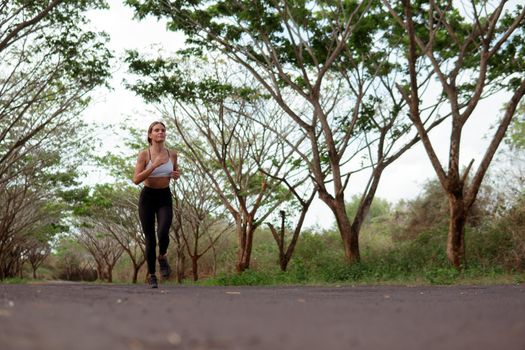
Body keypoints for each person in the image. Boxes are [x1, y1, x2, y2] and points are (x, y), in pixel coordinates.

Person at [133, 121, 180, 288]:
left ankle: (162, 256)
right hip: (148, 197)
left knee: (163, 231)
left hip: (164, 196)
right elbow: (136, 179)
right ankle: (152, 275)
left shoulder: (172, 154)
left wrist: (175, 174)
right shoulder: (144, 154)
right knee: (150, 239)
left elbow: (175, 172)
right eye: (156, 130)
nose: (160, 132)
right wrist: (153, 165)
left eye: (163, 130)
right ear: (150, 135)